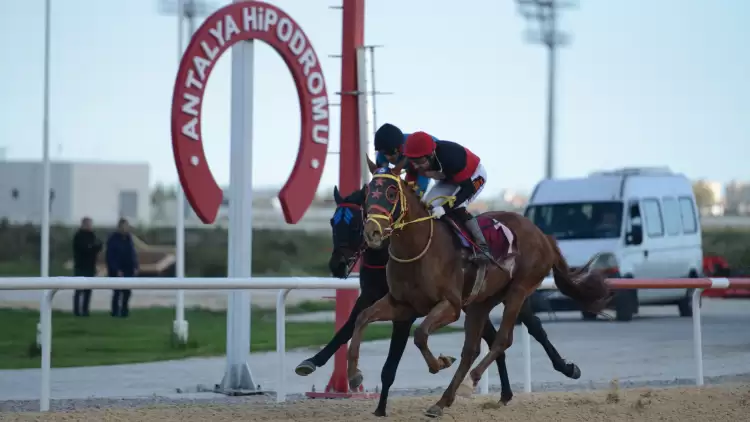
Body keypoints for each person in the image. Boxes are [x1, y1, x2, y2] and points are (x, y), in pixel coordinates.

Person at [401, 131, 492, 262]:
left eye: (419, 161)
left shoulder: (451, 157)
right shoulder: (415, 159)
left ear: (431, 155)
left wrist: (444, 209)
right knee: (427, 204)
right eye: (412, 160)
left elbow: (467, 190)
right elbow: (411, 187)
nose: (415, 165)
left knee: (457, 206)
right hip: (449, 178)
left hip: (473, 177)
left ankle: (484, 247)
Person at [373, 123, 430, 196]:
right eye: (384, 153)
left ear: (400, 147)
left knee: (416, 196)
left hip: (432, 167)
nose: (388, 157)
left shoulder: (412, 148)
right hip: (412, 168)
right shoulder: (382, 153)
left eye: (391, 152)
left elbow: (422, 182)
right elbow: (382, 180)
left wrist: (417, 194)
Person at [106, 218, 139, 317]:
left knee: (127, 292)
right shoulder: (113, 239)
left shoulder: (129, 238)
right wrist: (116, 270)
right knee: (117, 292)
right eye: (124, 226)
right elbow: (110, 256)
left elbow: (132, 253)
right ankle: (115, 311)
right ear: (119, 227)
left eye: (127, 226)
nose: (126, 228)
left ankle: (124, 311)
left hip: (128, 269)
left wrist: (135, 266)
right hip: (117, 270)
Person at [72, 217, 102, 316]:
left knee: (88, 290)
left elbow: (97, 246)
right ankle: (77, 311)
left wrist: (93, 247)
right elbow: (84, 249)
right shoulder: (78, 236)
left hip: (90, 266)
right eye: (88, 224)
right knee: (79, 289)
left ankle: (85, 310)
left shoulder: (92, 235)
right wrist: (92, 247)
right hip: (81, 266)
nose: (90, 226)